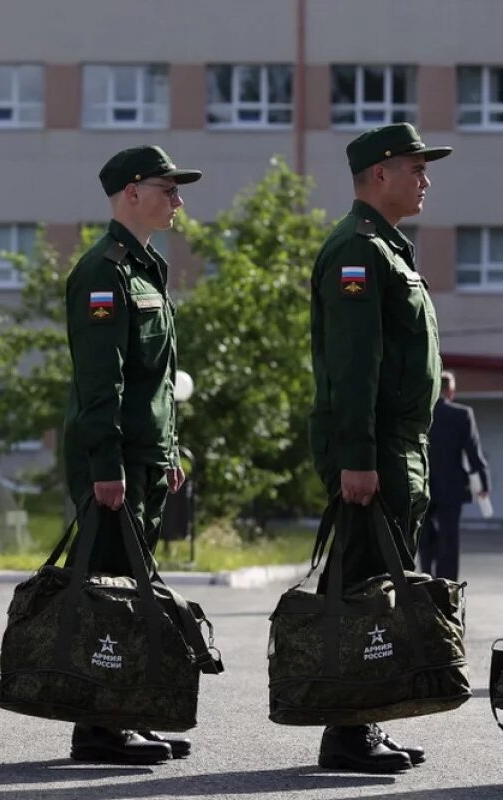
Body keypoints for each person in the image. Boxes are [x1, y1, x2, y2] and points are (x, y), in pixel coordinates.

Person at [309, 122, 450, 773]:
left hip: (398, 445)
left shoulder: (388, 250)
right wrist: (358, 456)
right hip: (377, 449)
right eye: (416, 168)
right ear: (381, 174)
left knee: (382, 585)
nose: (426, 181)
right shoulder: (357, 251)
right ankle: (347, 731)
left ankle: (366, 719)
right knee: (364, 583)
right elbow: (353, 364)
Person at [62, 145, 198, 766]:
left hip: (144, 459)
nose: (178, 201)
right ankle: (99, 728)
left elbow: (156, 379)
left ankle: (124, 715)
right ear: (132, 193)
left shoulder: (146, 269)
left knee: (133, 590)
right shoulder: (104, 271)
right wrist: (107, 465)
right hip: (115, 464)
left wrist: (167, 449)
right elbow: (102, 382)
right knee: (110, 591)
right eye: (168, 190)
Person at [420, 370, 491, 580]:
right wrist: (483, 484)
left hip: (423, 486)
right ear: (451, 391)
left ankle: (425, 582)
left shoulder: (420, 414)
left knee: (424, 540)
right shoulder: (462, 415)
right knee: (449, 540)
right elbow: (473, 453)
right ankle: (447, 587)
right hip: (451, 488)